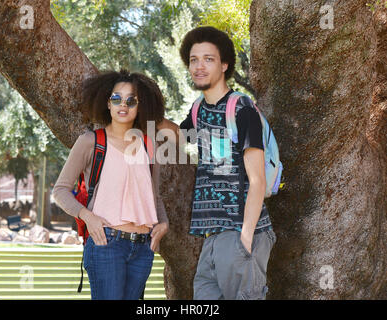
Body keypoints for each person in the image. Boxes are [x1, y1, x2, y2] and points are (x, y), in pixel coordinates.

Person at [175, 26, 276, 300]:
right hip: (212, 236)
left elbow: (257, 180)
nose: (199, 66)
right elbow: (173, 134)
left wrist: (244, 238)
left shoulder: (242, 109)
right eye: (194, 59)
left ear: (224, 64)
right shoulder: (198, 110)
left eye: (208, 59)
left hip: (241, 233)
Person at [52, 69, 169, 300]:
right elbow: (60, 191)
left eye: (130, 100)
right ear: (107, 103)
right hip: (106, 244)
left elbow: (154, 197)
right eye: (116, 98)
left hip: (143, 249)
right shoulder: (91, 142)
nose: (122, 105)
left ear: (140, 105)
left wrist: (163, 224)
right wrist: (88, 216)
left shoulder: (149, 145)